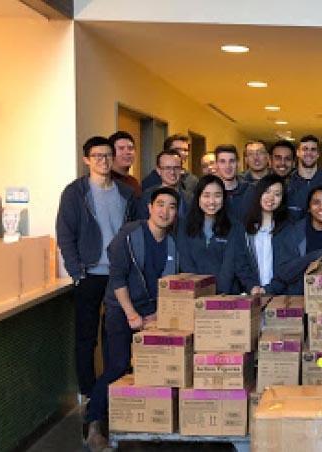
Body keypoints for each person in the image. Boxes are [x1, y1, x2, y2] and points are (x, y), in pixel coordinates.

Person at [83, 187, 180, 450]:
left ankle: (144, 423)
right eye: (160, 204)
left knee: (155, 370)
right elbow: (117, 278)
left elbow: (170, 285)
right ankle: (93, 424)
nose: (165, 211)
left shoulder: (172, 243)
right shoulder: (130, 235)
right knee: (118, 365)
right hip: (122, 309)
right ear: (149, 207)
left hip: (153, 313)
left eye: (171, 206)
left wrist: (159, 315)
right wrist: (132, 314)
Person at [56, 136, 136, 406]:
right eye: (97, 156)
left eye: (107, 156)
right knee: (86, 335)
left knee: (116, 332)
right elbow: (65, 234)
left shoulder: (126, 193)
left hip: (118, 275)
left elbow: (134, 231)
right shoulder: (75, 193)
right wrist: (76, 271)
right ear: (86, 160)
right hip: (89, 273)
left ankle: (115, 388)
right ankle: (88, 391)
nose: (103, 161)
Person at [178, 175, 257, 295]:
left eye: (217, 195)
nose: (212, 201)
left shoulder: (235, 227)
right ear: (198, 197)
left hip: (226, 297)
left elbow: (238, 264)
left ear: (224, 198)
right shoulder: (184, 226)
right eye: (206, 195)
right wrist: (200, 289)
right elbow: (185, 263)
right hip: (193, 295)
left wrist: (252, 286)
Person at [243, 174, 290, 295]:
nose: (271, 198)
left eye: (277, 194)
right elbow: (241, 263)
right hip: (251, 294)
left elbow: (288, 267)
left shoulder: (287, 229)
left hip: (280, 295)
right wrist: (251, 286)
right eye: (267, 191)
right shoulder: (245, 228)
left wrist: (270, 289)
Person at [136, 149, 192, 220]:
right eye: (167, 168)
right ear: (158, 171)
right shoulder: (147, 197)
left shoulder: (191, 198)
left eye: (176, 168)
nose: (172, 172)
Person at [287, 135, 322, 221]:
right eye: (305, 149)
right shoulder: (288, 183)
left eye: (313, 149)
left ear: (318, 154)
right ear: (298, 153)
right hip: (293, 233)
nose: (309, 153)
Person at [213, 144, 252, 221]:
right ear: (216, 165)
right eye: (222, 161)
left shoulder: (251, 191)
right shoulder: (208, 193)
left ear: (238, 163)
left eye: (232, 161)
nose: (228, 166)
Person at [108, 131, 141, 195]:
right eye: (121, 148)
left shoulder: (134, 182)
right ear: (110, 153)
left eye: (130, 148)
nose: (127, 152)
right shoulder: (106, 181)